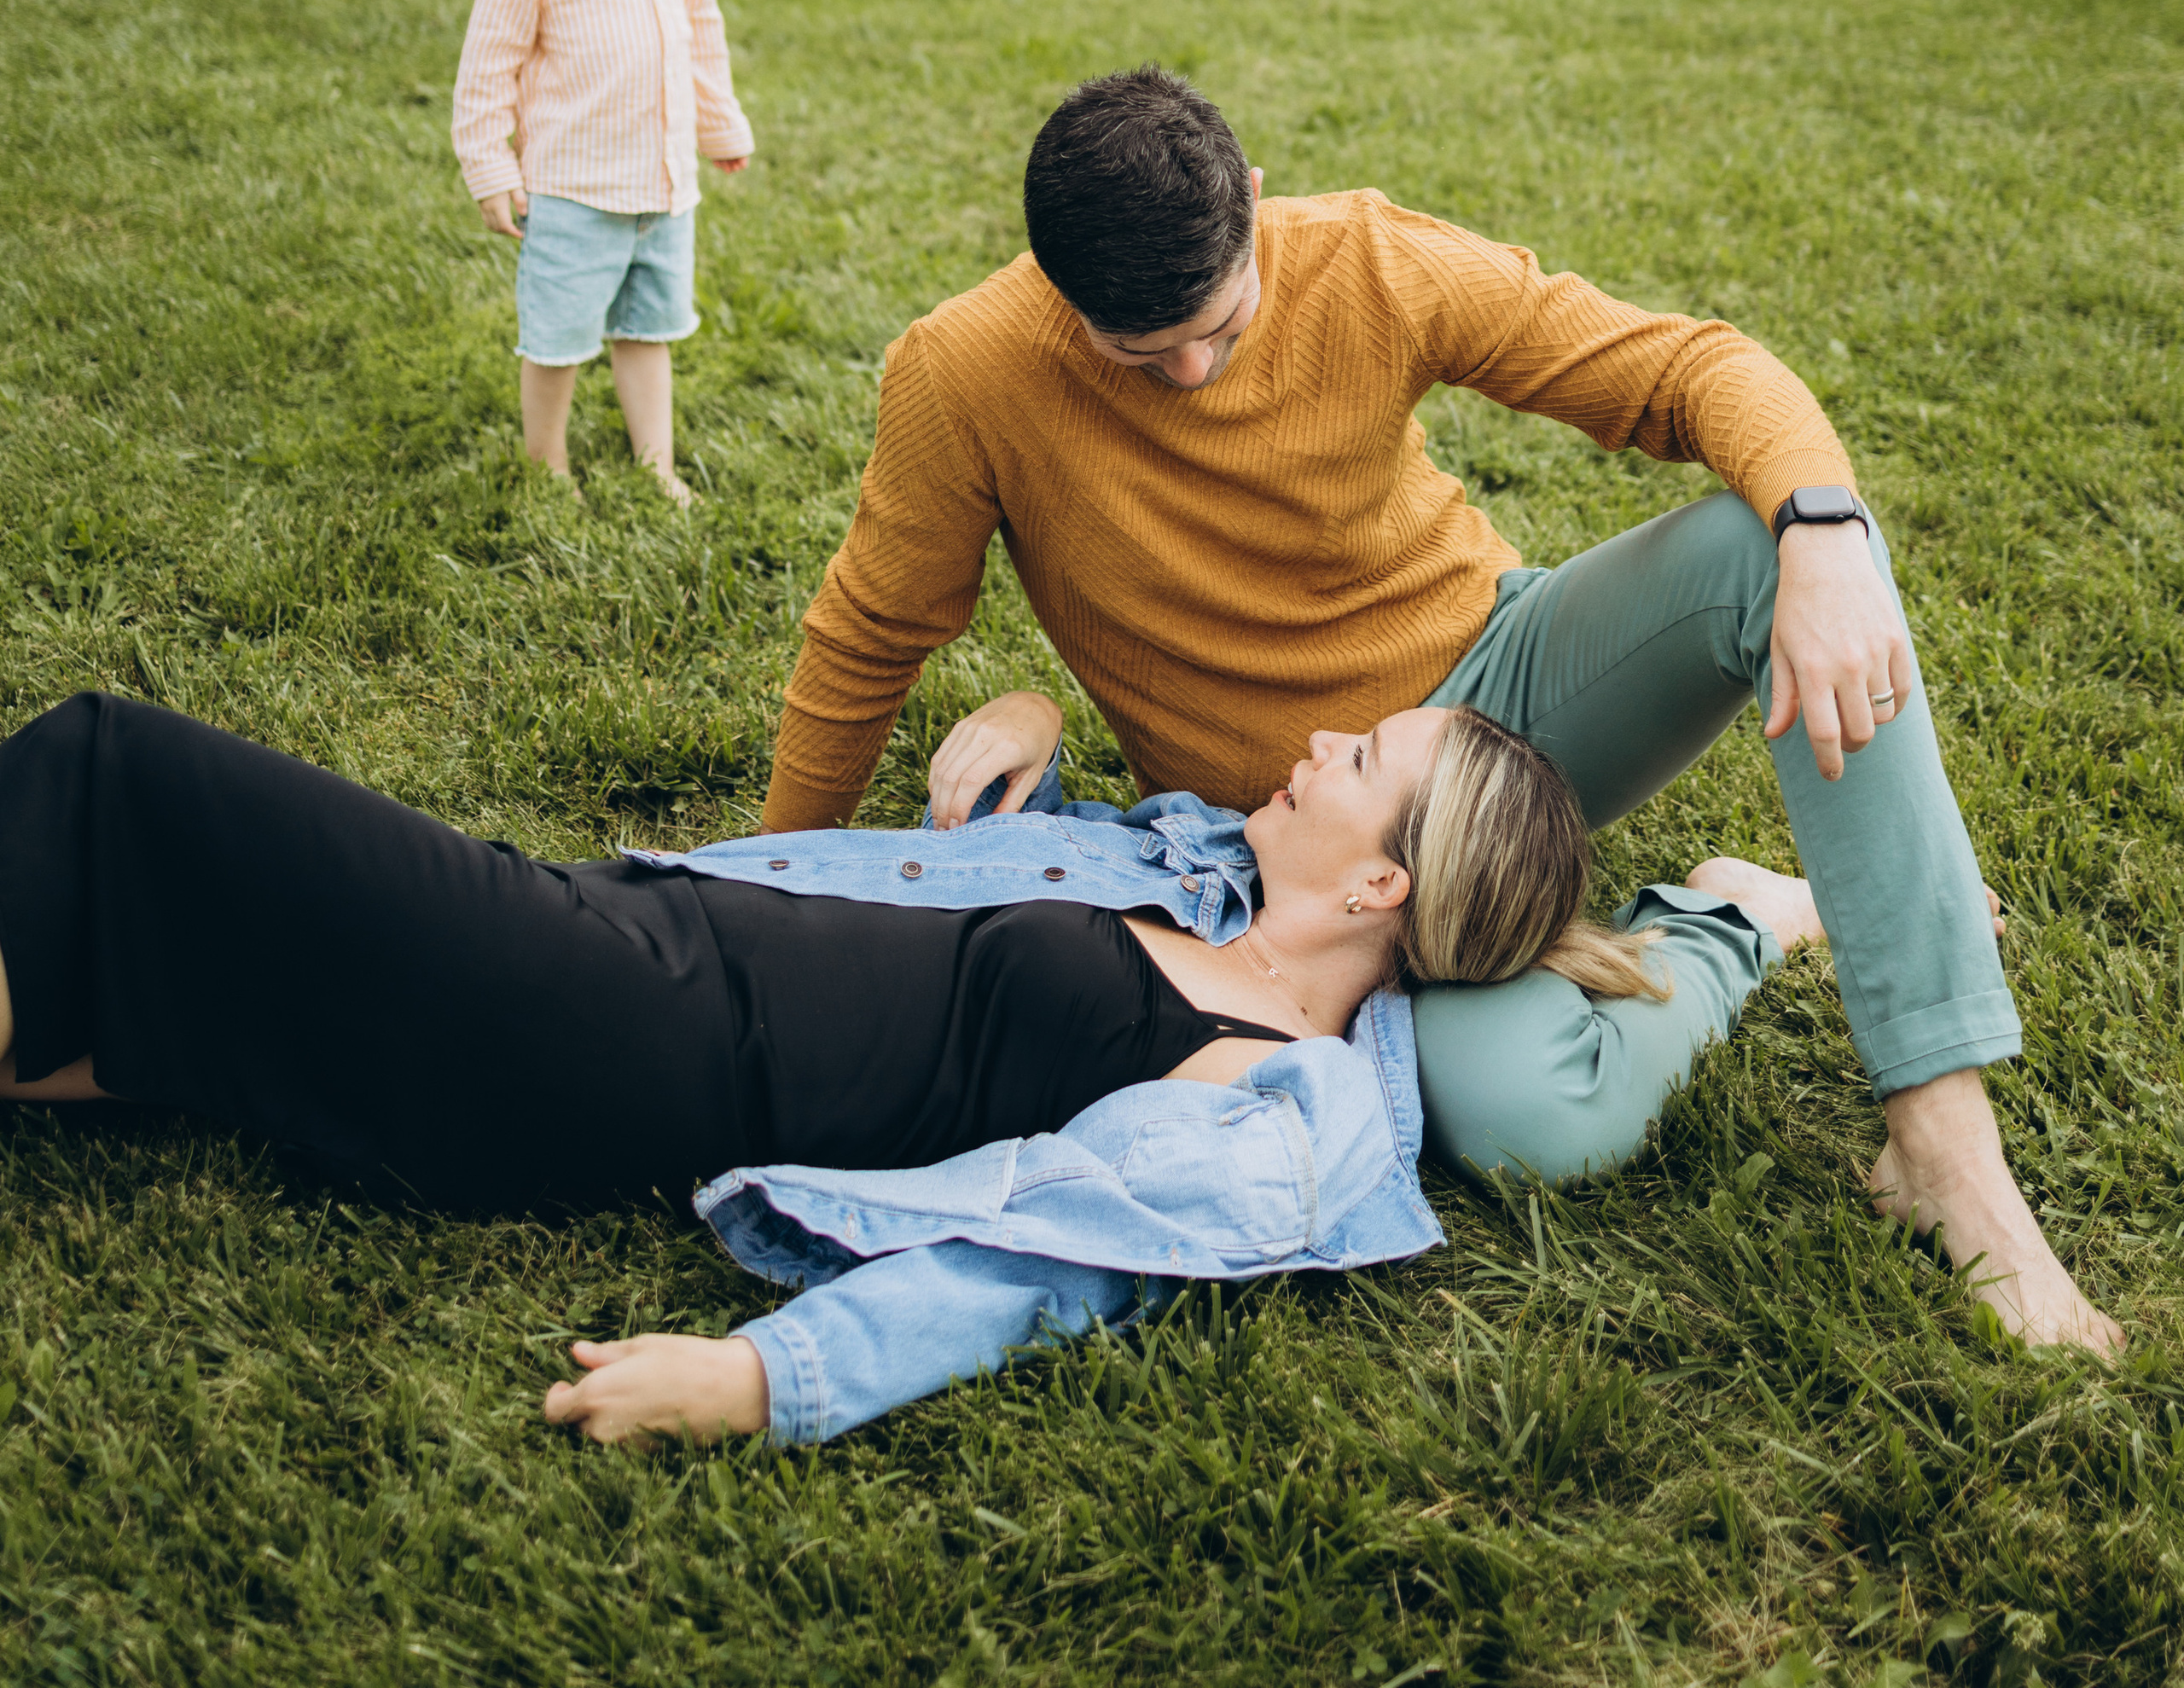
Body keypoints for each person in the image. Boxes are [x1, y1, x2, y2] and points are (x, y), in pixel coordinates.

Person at [760, 68, 2120, 1357]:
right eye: (1141, 351)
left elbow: (1686, 369)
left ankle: (1946, 1150)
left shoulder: (1366, 261)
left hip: (1505, 699)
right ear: (1056, 290)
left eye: (1220, 327)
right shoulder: (963, 371)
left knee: (1770, 548)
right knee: (1528, 1115)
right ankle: (1740, 914)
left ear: (1250, 197)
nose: (1191, 376)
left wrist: (1822, 528)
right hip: (1304, 843)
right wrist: (769, 883)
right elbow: (871, 635)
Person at [0, 685, 1789, 1446]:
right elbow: (987, 889)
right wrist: (1022, 724)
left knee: (112, 769)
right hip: (622, 925)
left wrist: (759, 1379)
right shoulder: (1199, 877)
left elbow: (1045, 1268)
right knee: (132, 1004)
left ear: (1384, 884)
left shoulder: (1273, 1094)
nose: (1321, 742)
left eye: (1362, 757)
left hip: (605, 1022)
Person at [451, 0, 753, 502]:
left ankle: (658, 463)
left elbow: (699, 20)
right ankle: (546, 465)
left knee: (648, 329)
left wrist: (718, 120)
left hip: (663, 180)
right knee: (557, 339)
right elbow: (489, 62)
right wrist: (488, 165)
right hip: (575, 185)